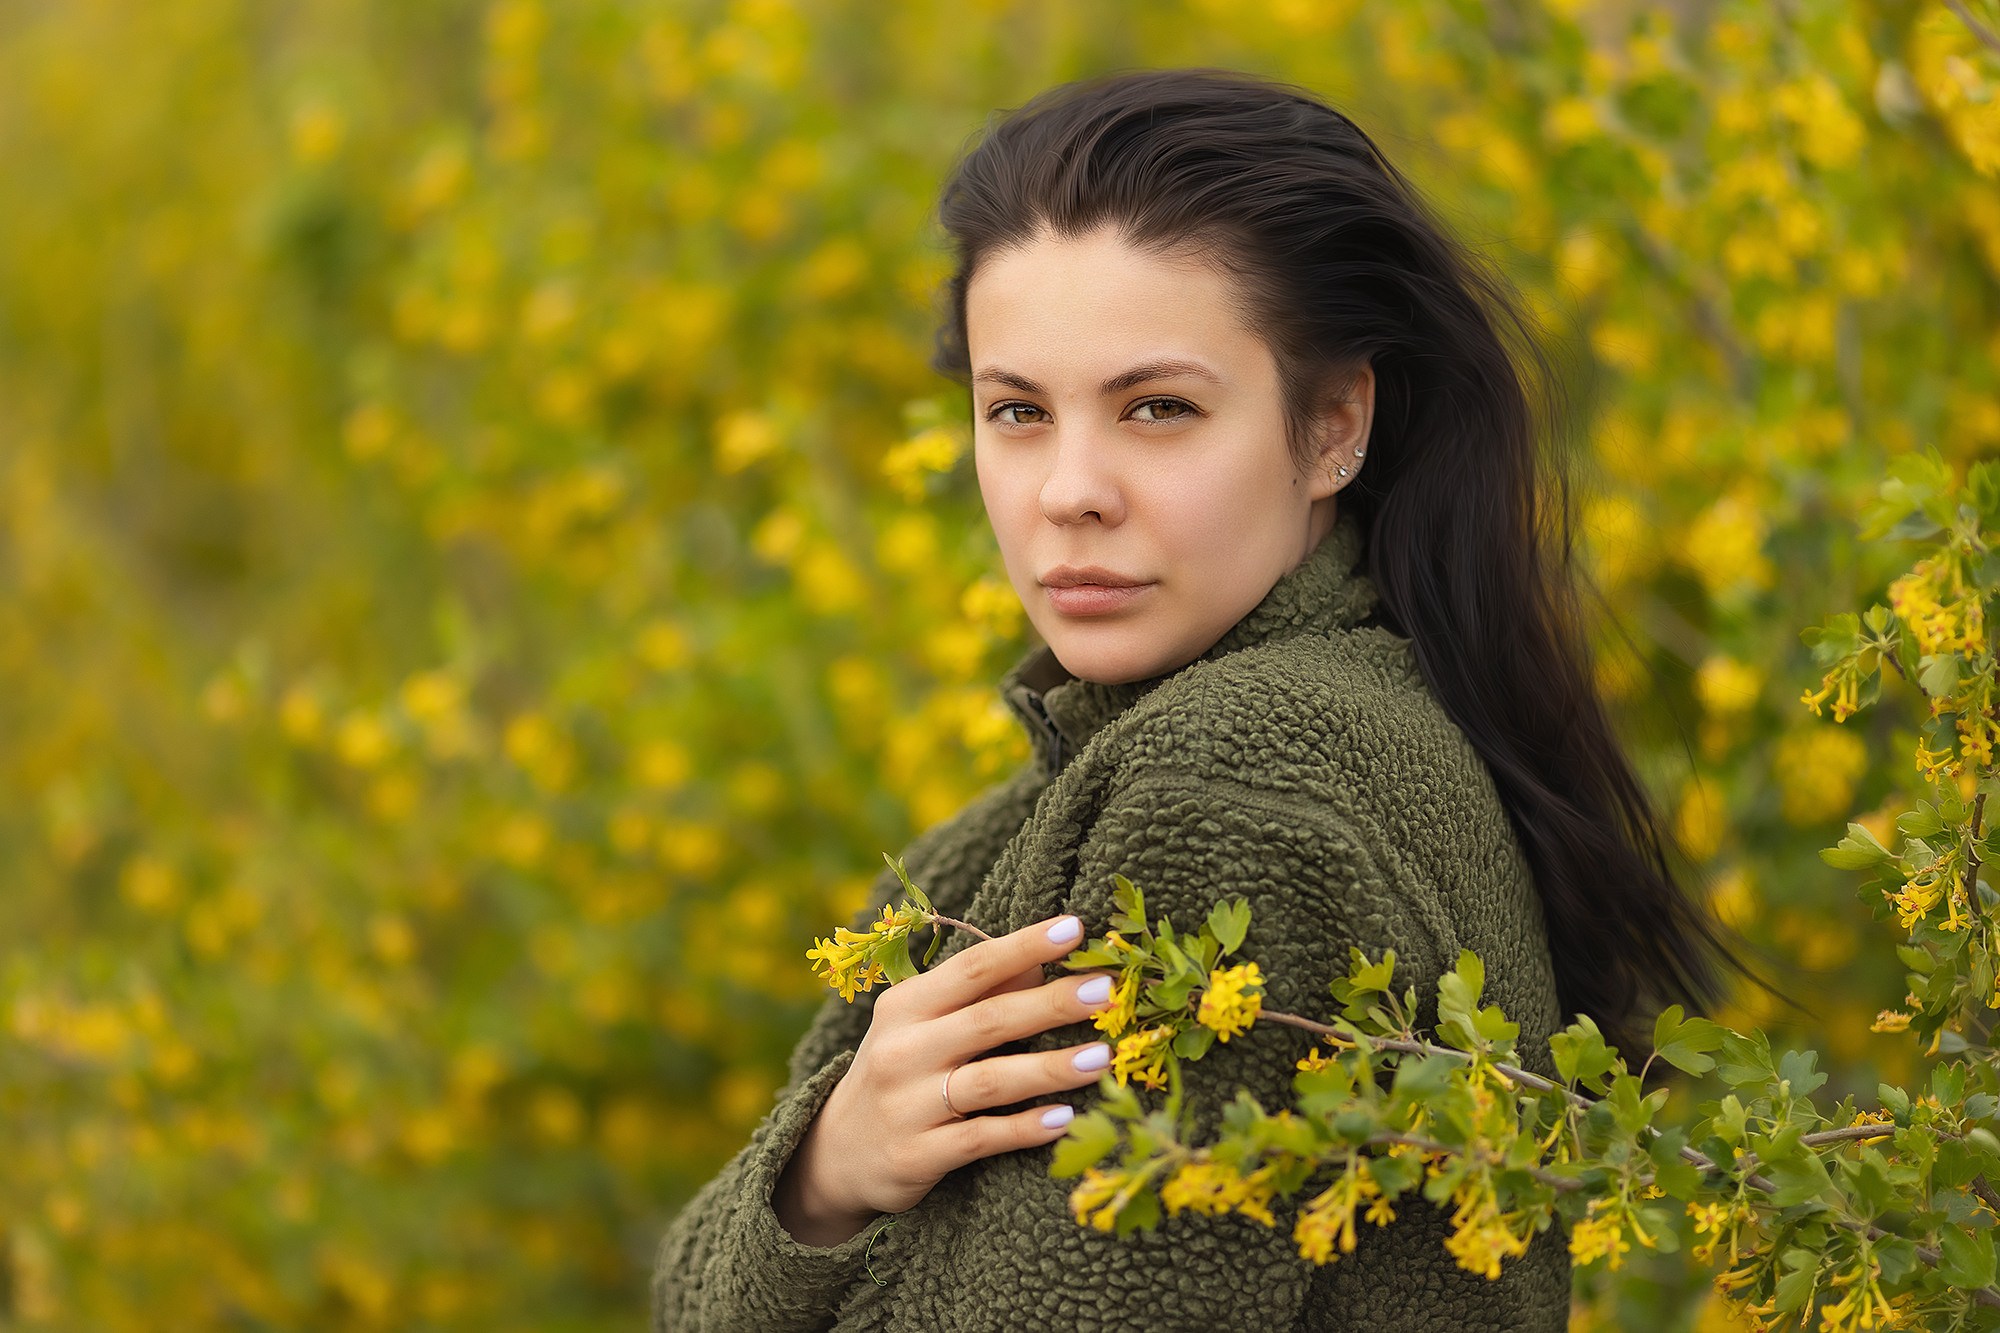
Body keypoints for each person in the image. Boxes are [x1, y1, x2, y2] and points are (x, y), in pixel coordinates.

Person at [653, 68, 1727, 1332]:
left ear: (1332, 426)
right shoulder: (1070, 799)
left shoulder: (1234, 782)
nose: (1070, 490)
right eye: (1016, 412)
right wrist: (822, 1176)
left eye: (1156, 408)